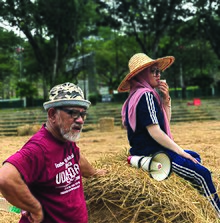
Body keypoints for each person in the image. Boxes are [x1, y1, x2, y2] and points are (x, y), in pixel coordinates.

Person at [117, 53, 220, 218]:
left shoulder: (138, 95)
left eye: (159, 72)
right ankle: (216, 214)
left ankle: (198, 205)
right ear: (142, 74)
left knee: (195, 156)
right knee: (203, 174)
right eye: (154, 72)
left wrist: (166, 100)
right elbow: (155, 132)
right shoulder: (145, 95)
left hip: (149, 150)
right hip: (155, 155)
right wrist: (180, 151)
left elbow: (164, 125)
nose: (158, 75)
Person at [0, 82, 106, 223]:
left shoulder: (65, 138)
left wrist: (94, 173)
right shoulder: (38, 148)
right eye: (73, 113)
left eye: (82, 114)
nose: (80, 120)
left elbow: (76, 158)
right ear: (52, 115)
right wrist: (35, 208)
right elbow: (5, 178)